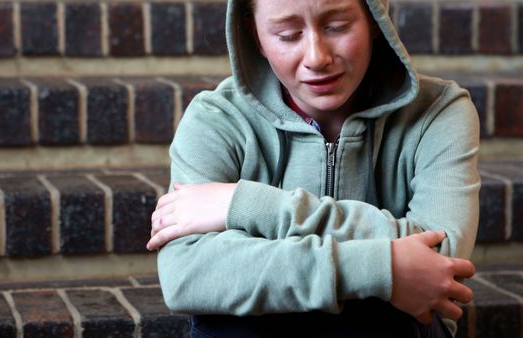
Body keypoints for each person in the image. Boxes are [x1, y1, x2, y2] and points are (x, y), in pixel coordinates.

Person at [146, 0, 480, 336]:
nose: (317, 57)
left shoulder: (440, 112)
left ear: (376, 21)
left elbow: (443, 259)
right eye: (288, 35)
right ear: (255, 34)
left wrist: (247, 205)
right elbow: (188, 275)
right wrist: (386, 268)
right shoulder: (216, 119)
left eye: (337, 26)